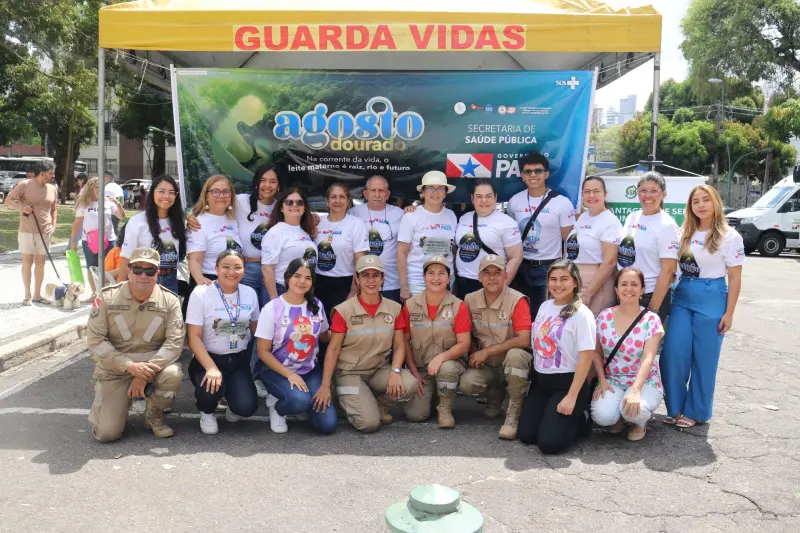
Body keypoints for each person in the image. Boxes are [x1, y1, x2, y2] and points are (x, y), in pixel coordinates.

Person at [661, 185, 744, 429]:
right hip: (684, 293)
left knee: (704, 359)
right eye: (695, 201)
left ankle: (696, 410)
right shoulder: (683, 232)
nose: (701, 205)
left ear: (716, 202)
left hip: (712, 295)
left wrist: (729, 313)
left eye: (706, 200)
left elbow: (735, 278)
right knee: (673, 353)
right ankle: (675, 407)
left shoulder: (730, 237)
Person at [86, 247, 184, 442]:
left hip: (152, 366)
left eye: (149, 270)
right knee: (106, 434)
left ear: (158, 273)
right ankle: (114, 401)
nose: (143, 275)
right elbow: (95, 340)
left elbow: (175, 343)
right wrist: (130, 367)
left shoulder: (170, 301)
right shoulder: (106, 297)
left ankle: (153, 415)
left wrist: (144, 373)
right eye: (137, 269)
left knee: (173, 374)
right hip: (115, 368)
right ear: (128, 270)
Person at [313, 255, 418, 433]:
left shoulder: (394, 308)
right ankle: (343, 399)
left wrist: (395, 371)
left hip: (377, 370)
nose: (371, 280)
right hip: (349, 372)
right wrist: (324, 385)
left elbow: (399, 345)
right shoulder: (344, 310)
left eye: (375, 275)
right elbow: (333, 349)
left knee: (410, 384)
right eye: (365, 275)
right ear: (357, 279)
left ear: (383, 278)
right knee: (369, 425)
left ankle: (379, 404)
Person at [518, 259, 596, 454]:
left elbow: (586, 358)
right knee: (526, 435)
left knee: (549, 444)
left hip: (568, 384)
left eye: (564, 279)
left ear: (575, 282)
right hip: (541, 382)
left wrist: (571, 397)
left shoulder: (582, 315)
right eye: (553, 279)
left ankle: (581, 418)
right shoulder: (545, 306)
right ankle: (551, 417)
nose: (557, 284)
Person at [254, 258, 336, 434]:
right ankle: (277, 406)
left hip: (310, 371)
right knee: (300, 401)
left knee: (327, 425)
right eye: (297, 276)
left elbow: (324, 337)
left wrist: (343, 331)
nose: (302, 281)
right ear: (287, 278)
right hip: (278, 371)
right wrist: (290, 375)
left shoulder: (317, 306)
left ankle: (299, 402)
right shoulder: (272, 308)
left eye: (308, 277)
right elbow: (262, 352)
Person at [186, 249, 260, 435]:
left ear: (244, 270)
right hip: (209, 359)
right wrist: (211, 368)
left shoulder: (250, 293)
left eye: (237, 267)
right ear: (216, 268)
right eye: (225, 267)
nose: (231, 272)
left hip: (238, 360)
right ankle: (207, 410)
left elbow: (255, 328)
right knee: (210, 390)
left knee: (246, 408)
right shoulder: (201, 293)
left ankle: (232, 398)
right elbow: (193, 337)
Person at [459, 255, 532, 440]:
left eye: (497, 273)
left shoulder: (517, 300)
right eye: (487, 273)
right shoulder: (469, 299)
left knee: (516, 356)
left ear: (506, 276)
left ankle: (513, 411)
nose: (492, 278)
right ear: (479, 277)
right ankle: (495, 391)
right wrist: (472, 356)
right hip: (487, 366)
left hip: (511, 361)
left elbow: (524, 340)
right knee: (467, 384)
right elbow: (467, 335)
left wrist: (486, 351)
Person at [187, 164, 279, 308]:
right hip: (245, 271)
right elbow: (213, 207)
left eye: (273, 181)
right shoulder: (242, 201)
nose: (267, 185)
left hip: (272, 270)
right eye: (263, 180)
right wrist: (190, 217)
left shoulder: (283, 207)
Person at [591, 267, 664, 441]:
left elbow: (648, 358)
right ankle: (619, 417)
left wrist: (635, 391)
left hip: (644, 381)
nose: (628, 289)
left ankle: (639, 422)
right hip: (613, 379)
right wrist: (601, 380)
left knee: (635, 411)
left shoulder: (651, 320)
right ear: (616, 290)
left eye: (634, 284)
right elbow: (596, 352)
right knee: (602, 417)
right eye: (624, 284)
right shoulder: (604, 316)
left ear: (642, 290)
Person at [401, 256, 471, 428]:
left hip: (449, 366)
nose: (436, 278)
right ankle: (432, 396)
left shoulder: (458, 305)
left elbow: (464, 344)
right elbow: (403, 342)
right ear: (424, 277)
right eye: (431, 273)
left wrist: (440, 358)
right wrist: (414, 372)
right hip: (421, 369)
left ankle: (445, 409)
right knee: (415, 415)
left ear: (449, 278)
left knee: (446, 368)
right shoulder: (410, 305)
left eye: (441, 273)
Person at [507, 153, 576, 320]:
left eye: (538, 171)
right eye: (528, 171)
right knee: (522, 313)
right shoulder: (514, 201)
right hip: (521, 267)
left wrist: (565, 270)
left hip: (549, 266)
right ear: (522, 175)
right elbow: (510, 236)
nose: (533, 175)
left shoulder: (561, 203)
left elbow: (570, 241)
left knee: (547, 314)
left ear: (546, 174)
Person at [617, 172, 679, 321]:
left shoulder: (667, 225)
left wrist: (653, 308)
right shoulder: (632, 217)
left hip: (649, 295)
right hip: (627, 293)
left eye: (653, 190)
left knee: (646, 343)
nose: (647, 195)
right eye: (643, 190)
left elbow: (669, 270)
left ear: (664, 194)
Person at [455, 179, 522, 298]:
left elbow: (516, 257)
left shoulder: (507, 223)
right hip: (463, 282)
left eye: (488, 196)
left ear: (495, 197)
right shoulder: (464, 218)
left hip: (491, 284)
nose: (484, 200)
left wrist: (501, 287)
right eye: (479, 196)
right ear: (472, 198)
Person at [566, 176, 623, 315]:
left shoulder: (609, 222)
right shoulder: (584, 217)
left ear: (605, 194)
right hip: (575, 278)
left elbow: (610, 263)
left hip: (596, 283)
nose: (591, 195)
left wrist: (587, 294)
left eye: (596, 191)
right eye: (587, 191)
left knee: (592, 331)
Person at [4, 160, 58, 306]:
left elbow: (54, 209)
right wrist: (22, 208)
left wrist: (53, 226)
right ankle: (27, 295)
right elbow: (7, 200)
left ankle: (37, 294)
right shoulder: (24, 184)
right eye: (51, 173)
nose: (53, 176)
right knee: (27, 262)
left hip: (45, 232)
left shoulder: (52, 188)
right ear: (42, 173)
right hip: (27, 230)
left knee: (41, 263)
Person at [120, 175, 186, 294]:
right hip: (144, 279)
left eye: (171, 192)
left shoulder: (178, 222)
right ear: (152, 193)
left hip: (171, 280)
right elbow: (126, 257)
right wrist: (119, 291)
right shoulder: (137, 222)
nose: (166, 196)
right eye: (161, 191)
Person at [397, 171, 458, 300]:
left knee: (445, 320)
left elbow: (453, 249)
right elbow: (401, 252)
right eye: (430, 188)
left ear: (445, 192)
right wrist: (403, 286)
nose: (435, 192)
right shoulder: (410, 217)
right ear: (423, 192)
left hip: (445, 282)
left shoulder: (451, 215)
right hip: (417, 283)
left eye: (440, 188)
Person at [314, 182, 369, 320]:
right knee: (319, 326)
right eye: (333, 197)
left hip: (344, 283)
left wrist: (354, 290)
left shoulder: (356, 224)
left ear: (348, 201)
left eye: (342, 197)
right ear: (327, 201)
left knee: (340, 327)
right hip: (317, 282)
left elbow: (360, 260)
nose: (337, 201)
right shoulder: (316, 223)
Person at [349, 174, 405, 303]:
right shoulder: (353, 213)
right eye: (373, 190)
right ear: (365, 193)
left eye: (381, 191)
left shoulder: (400, 214)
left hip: (391, 283)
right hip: (362, 281)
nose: (377, 194)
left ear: (387, 194)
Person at [70, 177, 125, 302]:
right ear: (90, 187)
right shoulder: (83, 203)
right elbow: (77, 222)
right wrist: (73, 241)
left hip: (109, 239)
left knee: (109, 266)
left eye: (101, 186)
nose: (99, 189)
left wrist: (117, 203)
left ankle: (109, 291)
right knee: (92, 267)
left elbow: (121, 216)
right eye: (96, 186)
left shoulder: (108, 202)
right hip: (90, 240)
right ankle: (95, 292)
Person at [186, 175, 243, 290]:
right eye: (215, 192)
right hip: (211, 283)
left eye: (226, 191)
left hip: (233, 283)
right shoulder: (198, 222)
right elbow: (195, 260)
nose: (221, 196)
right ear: (206, 195)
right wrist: (200, 281)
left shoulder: (233, 219)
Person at [261, 187, 318, 300]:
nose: (294, 205)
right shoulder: (275, 232)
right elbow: (267, 269)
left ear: (305, 207)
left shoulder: (305, 231)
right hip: (281, 290)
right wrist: (274, 299)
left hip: (302, 291)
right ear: (281, 207)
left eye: (299, 202)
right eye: (289, 202)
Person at [104, 170, 124, 237]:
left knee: (111, 232)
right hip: (118, 212)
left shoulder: (107, 188)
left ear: (107, 177)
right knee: (115, 229)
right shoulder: (118, 187)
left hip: (111, 212)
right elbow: (122, 201)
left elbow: (105, 201)